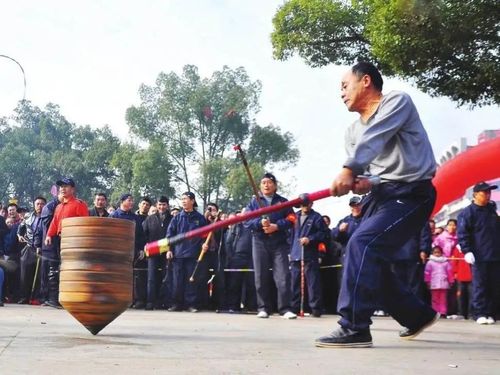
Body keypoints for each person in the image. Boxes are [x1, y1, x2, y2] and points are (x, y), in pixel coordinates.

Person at [316, 62, 438, 348]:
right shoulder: (352, 133)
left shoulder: (396, 102)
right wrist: (361, 181)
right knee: (360, 256)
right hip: (381, 195)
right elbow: (371, 173)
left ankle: (354, 328)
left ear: (366, 81)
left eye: (345, 86)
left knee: (363, 244)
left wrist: (349, 169)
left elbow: (376, 136)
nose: (341, 93)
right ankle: (416, 314)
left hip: (411, 193)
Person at [245, 173, 296, 319]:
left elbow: (292, 219)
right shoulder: (254, 202)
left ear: (275, 185)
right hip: (259, 241)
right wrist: (259, 224)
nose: (266, 185)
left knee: (283, 276)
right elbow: (246, 221)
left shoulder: (283, 202)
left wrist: (277, 226)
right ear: (260, 186)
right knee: (261, 275)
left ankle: (285, 308)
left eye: (269, 182)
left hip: (279, 242)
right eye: (263, 183)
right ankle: (263, 307)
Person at [457, 181, 500, 325]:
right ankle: (479, 313)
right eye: (484, 192)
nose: (488, 195)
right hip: (479, 256)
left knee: (494, 285)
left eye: (489, 192)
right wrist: (466, 250)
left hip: (495, 254)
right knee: (480, 285)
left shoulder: (491, 210)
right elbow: (463, 233)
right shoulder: (467, 212)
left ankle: (491, 313)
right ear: (475, 194)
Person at [45, 178, 89, 308]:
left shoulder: (79, 204)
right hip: (60, 240)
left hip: (74, 241)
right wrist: (49, 235)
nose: (63, 189)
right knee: (59, 268)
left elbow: (85, 223)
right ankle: (57, 298)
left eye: (66, 186)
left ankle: (73, 298)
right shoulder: (59, 206)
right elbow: (55, 222)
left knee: (72, 269)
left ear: (73, 189)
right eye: (61, 187)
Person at [166, 192, 207, 312]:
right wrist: (169, 250)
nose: (183, 201)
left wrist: (204, 244)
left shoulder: (200, 218)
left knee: (191, 280)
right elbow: (170, 236)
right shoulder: (177, 218)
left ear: (192, 201)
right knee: (177, 280)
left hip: (193, 254)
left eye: (186, 199)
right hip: (178, 254)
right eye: (182, 199)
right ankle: (176, 304)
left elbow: (204, 235)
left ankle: (191, 304)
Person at [289, 201, 328, 317]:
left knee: (313, 283)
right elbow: (289, 234)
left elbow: (324, 234)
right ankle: (294, 308)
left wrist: (310, 239)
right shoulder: (293, 216)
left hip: (310, 254)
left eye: (307, 203)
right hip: (295, 254)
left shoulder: (317, 217)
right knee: (294, 283)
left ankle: (315, 308)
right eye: (302, 204)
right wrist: (289, 251)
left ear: (311, 204)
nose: (304, 206)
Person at [110, 193, 147, 309]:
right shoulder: (113, 216)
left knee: (130, 276)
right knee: (116, 276)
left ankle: (130, 299)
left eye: (132, 200)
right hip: (116, 251)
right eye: (129, 200)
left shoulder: (135, 218)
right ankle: (115, 299)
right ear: (122, 201)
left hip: (131, 251)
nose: (131, 203)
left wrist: (141, 249)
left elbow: (141, 236)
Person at [142, 196, 172, 310]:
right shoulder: (150, 219)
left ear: (167, 205)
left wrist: (170, 249)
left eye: (164, 205)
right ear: (156, 205)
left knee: (166, 277)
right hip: (153, 251)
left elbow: (173, 235)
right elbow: (144, 234)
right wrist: (145, 246)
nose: (161, 207)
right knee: (151, 278)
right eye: (159, 204)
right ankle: (150, 302)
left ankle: (165, 301)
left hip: (166, 252)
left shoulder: (172, 219)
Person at [16, 196, 46, 304]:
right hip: (29, 247)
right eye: (38, 203)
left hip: (43, 249)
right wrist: (19, 235)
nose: (40, 206)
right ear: (34, 205)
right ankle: (24, 297)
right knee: (25, 274)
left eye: (42, 204)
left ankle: (37, 298)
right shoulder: (28, 216)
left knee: (40, 275)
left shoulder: (48, 216)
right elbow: (21, 227)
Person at [424, 246, 454, 316]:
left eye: (438, 252)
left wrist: (451, 281)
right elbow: (427, 273)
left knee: (443, 299)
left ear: (441, 253)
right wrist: (427, 281)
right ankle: (435, 312)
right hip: (434, 283)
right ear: (433, 253)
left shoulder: (445, 262)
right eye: (435, 252)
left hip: (444, 283)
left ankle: (443, 312)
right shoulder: (430, 263)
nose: (437, 254)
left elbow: (449, 272)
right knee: (434, 299)